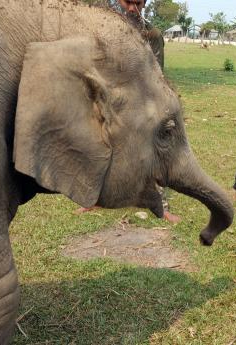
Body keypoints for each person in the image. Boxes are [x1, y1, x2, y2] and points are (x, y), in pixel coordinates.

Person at [76, 0, 179, 223]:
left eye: (139, 4)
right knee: (98, 149)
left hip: (139, 102)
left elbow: (157, 77)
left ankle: (161, 205)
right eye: (128, 2)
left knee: (154, 150)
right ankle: (93, 199)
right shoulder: (99, 27)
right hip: (106, 100)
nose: (133, 8)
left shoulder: (151, 34)